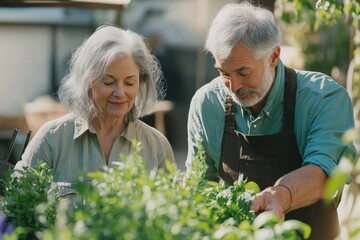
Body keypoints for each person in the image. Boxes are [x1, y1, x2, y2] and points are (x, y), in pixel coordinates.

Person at [185, 2, 357, 239]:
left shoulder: (324, 98)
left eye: (243, 72)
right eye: (224, 73)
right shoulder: (206, 104)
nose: (233, 86)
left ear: (274, 56)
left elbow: (324, 172)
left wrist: (280, 196)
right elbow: (200, 184)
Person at [15, 24, 175, 201]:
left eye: (129, 83)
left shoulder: (157, 146)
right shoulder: (53, 139)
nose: (120, 92)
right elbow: (18, 208)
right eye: (108, 82)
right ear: (87, 82)